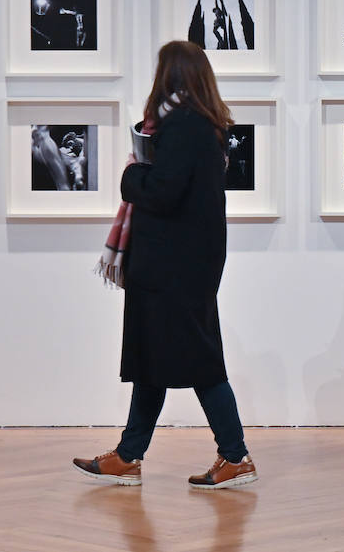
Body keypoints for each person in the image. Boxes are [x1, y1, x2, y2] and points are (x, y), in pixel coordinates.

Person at [74, 40, 257, 490]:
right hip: (184, 263)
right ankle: (129, 455)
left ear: (169, 75)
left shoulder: (183, 127)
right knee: (153, 361)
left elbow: (162, 190)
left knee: (200, 362)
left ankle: (235, 456)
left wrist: (131, 173)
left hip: (172, 267)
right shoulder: (205, 126)